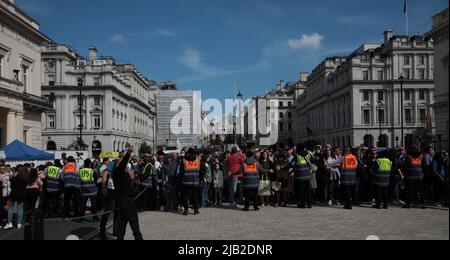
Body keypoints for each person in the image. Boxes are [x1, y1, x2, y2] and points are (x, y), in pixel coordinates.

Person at [113, 146, 143, 240]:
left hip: (125, 199)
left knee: (122, 221)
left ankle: (119, 238)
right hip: (125, 200)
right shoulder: (117, 172)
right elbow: (122, 165)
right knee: (134, 221)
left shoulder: (124, 173)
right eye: (122, 163)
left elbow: (133, 179)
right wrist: (128, 153)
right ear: (118, 164)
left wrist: (136, 179)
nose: (126, 165)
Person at [4, 165, 29, 230]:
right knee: (20, 209)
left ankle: (9, 223)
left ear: (18, 171)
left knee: (10, 208)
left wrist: (14, 176)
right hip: (22, 194)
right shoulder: (26, 177)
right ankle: (19, 223)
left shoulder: (16, 177)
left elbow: (11, 184)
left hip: (14, 194)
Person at [179, 148, 202, 216]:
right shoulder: (198, 160)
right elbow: (201, 171)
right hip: (195, 181)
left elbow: (181, 171)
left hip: (186, 181)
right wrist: (200, 180)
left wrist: (181, 179)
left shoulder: (184, 160)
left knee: (185, 197)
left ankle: (186, 210)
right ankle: (196, 210)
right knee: (195, 196)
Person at [403, 144, 426, 209]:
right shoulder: (421, 155)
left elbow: (406, 166)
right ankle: (423, 204)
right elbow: (424, 165)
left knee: (409, 190)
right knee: (421, 190)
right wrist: (423, 173)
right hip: (419, 175)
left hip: (410, 175)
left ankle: (408, 204)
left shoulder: (408, 155)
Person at [292, 144, 313, 209]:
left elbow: (291, 164)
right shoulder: (308, 155)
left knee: (301, 191)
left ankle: (303, 204)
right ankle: (309, 204)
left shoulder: (297, 156)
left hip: (299, 176)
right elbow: (312, 163)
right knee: (308, 190)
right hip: (307, 175)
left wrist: (283, 168)